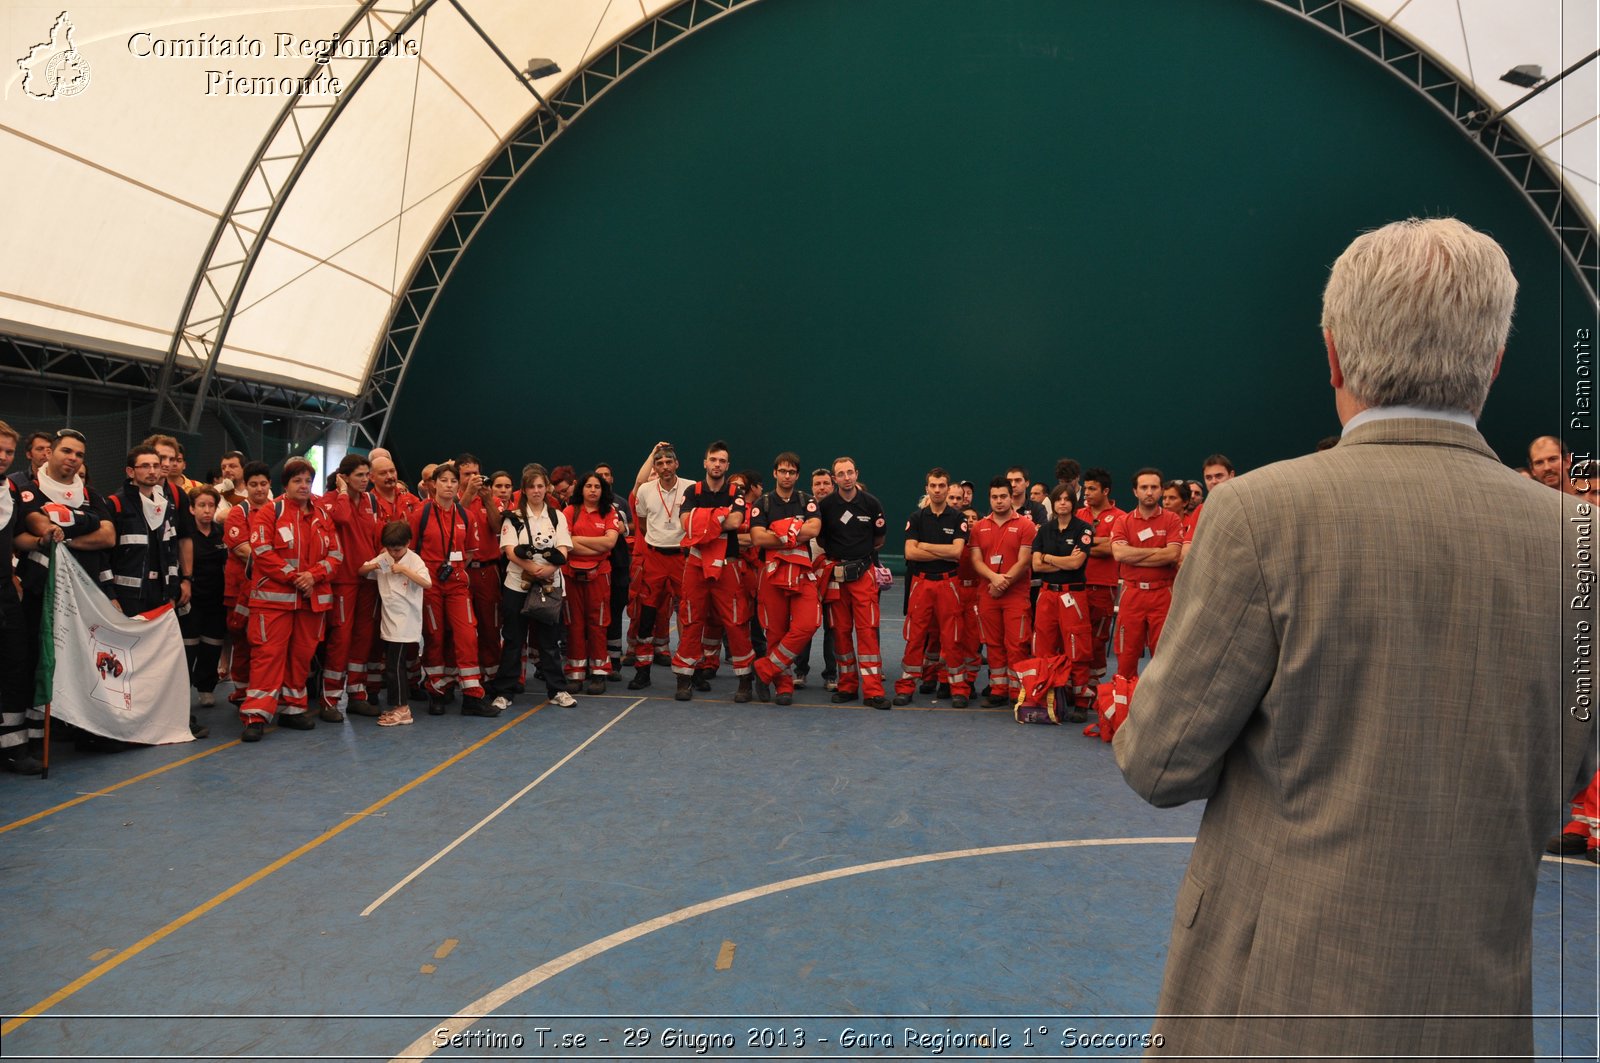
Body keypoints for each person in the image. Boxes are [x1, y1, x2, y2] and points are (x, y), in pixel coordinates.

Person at [1114, 216, 1594, 1059]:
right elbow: (1571, 766)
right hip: (1472, 1013)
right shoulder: (1579, 545)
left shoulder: (1259, 515)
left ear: (1334, 355)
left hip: (1269, 1007)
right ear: (1493, 364)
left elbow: (1160, 762)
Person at [17, 429, 116, 770]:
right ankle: (31, 739)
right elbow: (39, 524)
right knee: (38, 661)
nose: (73, 458)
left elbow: (107, 536)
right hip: (40, 592)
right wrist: (73, 526)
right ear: (49, 454)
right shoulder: (28, 491)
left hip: (83, 596)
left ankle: (86, 729)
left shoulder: (92, 495)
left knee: (82, 661)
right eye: (67, 451)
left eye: (79, 455)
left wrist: (68, 536)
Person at [239, 457, 338, 741]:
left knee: (301, 656)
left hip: (310, 601)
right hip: (273, 603)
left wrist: (314, 576)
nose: (304, 486)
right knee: (267, 656)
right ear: (285, 484)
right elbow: (262, 551)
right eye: (298, 481)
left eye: (308, 481)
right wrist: (295, 576)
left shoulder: (322, 515)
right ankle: (255, 715)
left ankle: (293, 708)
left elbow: (336, 555)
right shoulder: (270, 512)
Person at [670, 440, 754, 702]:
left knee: (736, 621)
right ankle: (684, 679)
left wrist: (703, 518)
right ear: (705, 463)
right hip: (695, 563)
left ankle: (745, 680)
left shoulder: (735, 492)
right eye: (713, 460)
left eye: (722, 461)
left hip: (727, 564)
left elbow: (737, 520)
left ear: (727, 466)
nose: (717, 464)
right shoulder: (692, 491)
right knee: (691, 618)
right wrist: (720, 516)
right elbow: (686, 523)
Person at [409, 463, 491, 716]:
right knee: (434, 636)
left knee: (466, 634)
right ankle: (437, 691)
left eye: (453, 481)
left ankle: (472, 695)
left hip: (456, 583)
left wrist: (453, 567)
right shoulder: (419, 514)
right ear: (433, 484)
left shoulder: (465, 515)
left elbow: (468, 552)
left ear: (458, 485)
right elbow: (410, 551)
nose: (448, 485)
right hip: (430, 583)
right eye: (443, 480)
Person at [491, 464, 574, 710]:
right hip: (517, 585)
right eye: (531, 487)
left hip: (549, 585)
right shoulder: (513, 517)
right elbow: (508, 550)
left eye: (540, 486)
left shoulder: (557, 516)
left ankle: (557, 689)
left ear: (547, 487)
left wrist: (547, 570)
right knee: (513, 639)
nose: (536, 491)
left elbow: (563, 549)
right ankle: (504, 692)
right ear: (524, 490)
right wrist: (531, 568)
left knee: (549, 642)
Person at [748, 452, 822, 705]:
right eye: (782, 471)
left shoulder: (807, 500)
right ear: (775, 473)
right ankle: (783, 686)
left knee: (808, 623)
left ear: (797, 475)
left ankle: (765, 669)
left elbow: (814, 529)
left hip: (802, 571)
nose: (787, 475)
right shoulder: (763, 503)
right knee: (775, 633)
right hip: (771, 572)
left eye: (791, 472)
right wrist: (793, 531)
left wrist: (778, 531)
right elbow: (758, 538)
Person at [815, 456, 889, 709]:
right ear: (835, 479)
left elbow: (879, 540)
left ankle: (873, 691)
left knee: (867, 632)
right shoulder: (826, 506)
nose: (846, 477)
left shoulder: (871, 503)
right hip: (836, 573)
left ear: (856, 474)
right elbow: (822, 541)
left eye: (850, 472)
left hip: (864, 573)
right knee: (841, 632)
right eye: (841, 474)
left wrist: (858, 558)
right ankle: (847, 685)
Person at [893, 468, 969, 707]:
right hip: (921, 583)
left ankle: (959, 688)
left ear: (948, 488)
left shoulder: (958, 519)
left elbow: (956, 552)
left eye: (942, 486)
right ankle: (906, 687)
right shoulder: (916, 518)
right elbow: (909, 552)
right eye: (933, 486)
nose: (937, 490)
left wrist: (925, 545)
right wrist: (940, 549)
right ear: (926, 488)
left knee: (952, 636)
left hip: (949, 584)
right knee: (915, 636)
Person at [321, 454, 380, 720]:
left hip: (367, 580)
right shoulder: (330, 501)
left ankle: (357, 694)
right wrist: (343, 492)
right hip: (343, 580)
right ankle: (330, 699)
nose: (366, 480)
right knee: (341, 639)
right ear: (343, 478)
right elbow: (342, 519)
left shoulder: (370, 500)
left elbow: (373, 536)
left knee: (363, 637)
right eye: (360, 475)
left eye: (367, 475)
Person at [967, 475, 1036, 706]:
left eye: (1003, 496)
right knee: (993, 644)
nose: (999, 501)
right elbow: (976, 560)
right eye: (994, 497)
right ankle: (998, 689)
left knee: (1017, 644)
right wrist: (994, 579)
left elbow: (1025, 560)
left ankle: (1018, 692)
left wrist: (1003, 582)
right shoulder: (979, 527)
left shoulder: (1025, 525)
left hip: (1015, 594)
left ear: (1011, 497)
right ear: (989, 498)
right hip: (987, 592)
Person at [627, 443, 691, 689]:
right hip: (654, 558)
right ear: (654, 466)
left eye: (669, 462)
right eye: (660, 463)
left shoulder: (690, 488)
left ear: (677, 464)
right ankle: (642, 671)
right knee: (647, 614)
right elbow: (642, 524)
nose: (665, 467)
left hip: (680, 558)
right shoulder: (644, 490)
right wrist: (658, 539)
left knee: (686, 614)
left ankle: (687, 674)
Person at [1109, 468, 1182, 678]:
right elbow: (1120, 554)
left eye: (1154, 487)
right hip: (1132, 595)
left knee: (1165, 655)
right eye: (1144, 487)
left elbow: (1172, 555)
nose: (1149, 492)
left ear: (1160, 490)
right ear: (1135, 491)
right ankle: (1126, 702)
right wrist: (1157, 551)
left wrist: (1137, 554)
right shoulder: (1123, 521)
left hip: (1163, 594)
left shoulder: (1172, 520)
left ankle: (1162, 706)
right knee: (1126, 654)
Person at [359, 520, 431, 726]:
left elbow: (427, 582)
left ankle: (403, 709)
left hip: (406, 622)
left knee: (395, 666)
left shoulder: (414, 560)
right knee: (391, 665)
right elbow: (361, 571)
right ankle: (398, 706)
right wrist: (376, 564)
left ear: (408, 543)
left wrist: (403, 570)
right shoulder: (384, 557)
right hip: (389, 622)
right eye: (390, 549)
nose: (394, 553)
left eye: (398, 549)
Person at [0, 422, 39, 772]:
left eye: (8, 451)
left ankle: (13, 746)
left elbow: (12, 539)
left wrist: (12, 572)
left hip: (4, 591)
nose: (3, 456)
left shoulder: (11, 491)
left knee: (15, 662)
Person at [562, 471, 623, 695]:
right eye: (589, 486)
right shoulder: (569, 511)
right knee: (574, 624)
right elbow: (564, 544)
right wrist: (595, 546)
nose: (593, 490)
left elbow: (610, 543)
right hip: (571, 575)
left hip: (600, 575)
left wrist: (578, 540)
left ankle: (599, 672)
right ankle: (575, 673)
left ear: (603, 490)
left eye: (597, 486)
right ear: (582, 488)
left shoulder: (609, 512)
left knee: (598, 623)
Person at [180, 486, 228, 721]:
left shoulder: (221, 533)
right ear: (191, 508)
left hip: (216, 600)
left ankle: (206, 688)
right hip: (192, 600)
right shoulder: (186, 535)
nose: (207, 510)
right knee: (189, 648)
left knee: (212, 646)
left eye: (211, 505)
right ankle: (180, 694)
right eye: (202, 505)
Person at [1075, 467, 1122, 679]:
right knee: (1075, 636)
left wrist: (1083, 545)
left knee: (1097, 639)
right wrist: (1100, 542)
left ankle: (1091, 690)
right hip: (1076, 585)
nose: (1087, 493)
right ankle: (1074, 684)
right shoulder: (1077, 514)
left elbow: (1112, 548)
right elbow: (1066, 545)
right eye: (1085, 488)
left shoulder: (1121, 517)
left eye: (1092, 489)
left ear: (1106, 491)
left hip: (1103, 588)